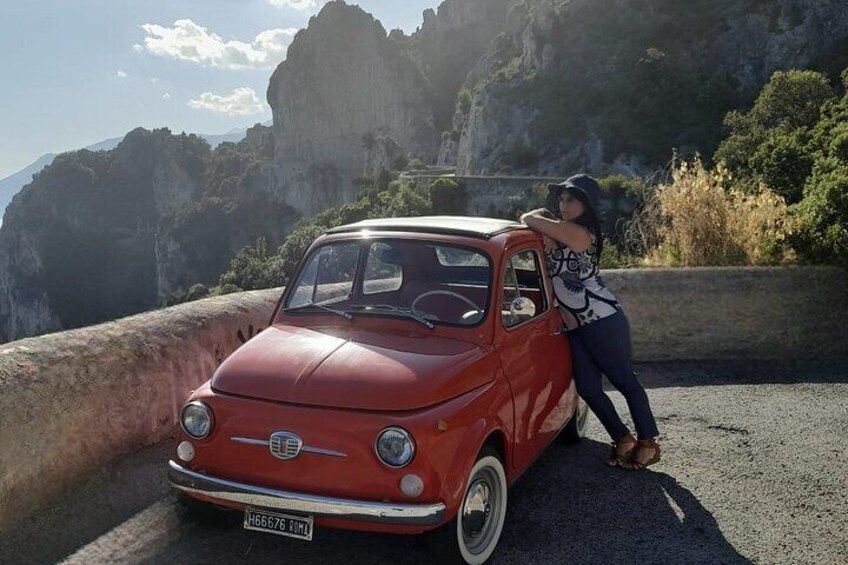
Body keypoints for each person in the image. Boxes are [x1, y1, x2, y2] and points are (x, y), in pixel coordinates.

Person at [520, 174, 661, 470]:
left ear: (586, 204)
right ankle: (623, 438)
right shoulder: (560, 237)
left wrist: (545, 224)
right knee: (587, 387)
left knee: (624, 381)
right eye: (561, 198)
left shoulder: (581, 234)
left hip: (603, 320)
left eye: (571, 198)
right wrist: (547, 233)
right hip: (575, 326)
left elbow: (526, 216)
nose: (564, 203)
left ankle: (648, 441)